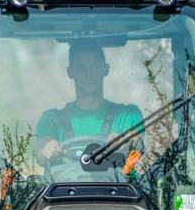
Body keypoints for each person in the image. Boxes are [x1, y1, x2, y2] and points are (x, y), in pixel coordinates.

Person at [33, 41, 144, 175]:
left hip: (120, 195)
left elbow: (137, 144)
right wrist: (48, 149)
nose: (89, 74)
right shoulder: (52, 119)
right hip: (63, 196)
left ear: (105, 69)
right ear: (70, 72)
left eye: (95, 66)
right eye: (81, 68)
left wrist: (124, 142)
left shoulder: (128, 115)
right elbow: (41, 152)